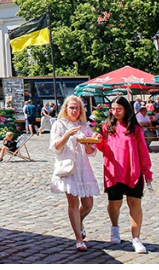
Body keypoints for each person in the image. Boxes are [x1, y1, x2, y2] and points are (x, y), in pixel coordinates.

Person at [93, 96, 153, 254]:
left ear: (126, 110)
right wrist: (97, 140)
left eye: (118, 109)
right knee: (114, 204)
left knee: (135, 203)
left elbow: (143, 153)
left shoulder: (135, 129)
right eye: (112, 109)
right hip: (113, 172)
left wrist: (147, 172)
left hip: (133, 171)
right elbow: (103, 148)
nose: (115, 112)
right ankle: (115, 227)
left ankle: (136, 238)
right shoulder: (106, 128)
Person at [49, 95, 100, 252]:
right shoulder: (59, 125)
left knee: (88, 204)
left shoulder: (84, 126)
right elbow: (56, 147)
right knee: (73, 203)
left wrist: (90, 143)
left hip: (83, 167)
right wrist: (67, 135)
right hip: (68, 167)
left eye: (77, 108)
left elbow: (91, 151)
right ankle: (79, 238)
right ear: (66, 109)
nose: (74, 110)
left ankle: (79, 221)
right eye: (71, 107)